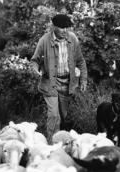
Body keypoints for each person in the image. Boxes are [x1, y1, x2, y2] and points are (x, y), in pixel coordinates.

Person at [30, 14, 88, 143]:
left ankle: (61, 143)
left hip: (68, 83)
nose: (65, 31)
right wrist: (36, 70)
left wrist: (83, 79)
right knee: (54, 116)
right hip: (50, 83)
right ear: (54, 27)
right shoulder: (44, 40)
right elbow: (34, 60)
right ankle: (51, 144)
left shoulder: (72, 39)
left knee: (63, 116)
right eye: (62, 28)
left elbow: (80, 61)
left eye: (67, 27)